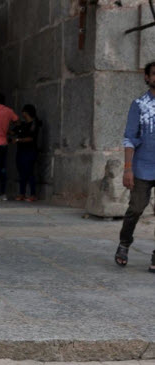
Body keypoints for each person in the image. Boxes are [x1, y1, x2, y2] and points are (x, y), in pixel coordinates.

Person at [114, 61, 155, 272]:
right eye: (154, 74)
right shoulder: (139, 105)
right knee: (136, 208)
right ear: (147, 77)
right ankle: (124, 244)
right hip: (142, 167)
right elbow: (130, 138)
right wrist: (127, 168)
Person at [10, 104, 42, 202]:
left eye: (23, 112)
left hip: (30, 151)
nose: (22, 114)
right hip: (21, 151)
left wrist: (18, 140)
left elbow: (31, 138)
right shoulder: (23, 125)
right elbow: (12, 132)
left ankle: (32, 194)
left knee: (29, 172)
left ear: (26, 112)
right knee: (21, 172)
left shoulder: (34, 124)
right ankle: (22, 193)